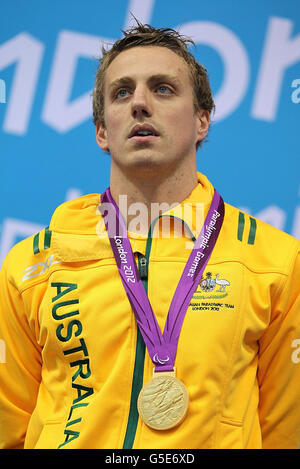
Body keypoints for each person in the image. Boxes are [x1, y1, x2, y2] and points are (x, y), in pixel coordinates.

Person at [0, 20, 299, 450]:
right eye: (122, 92)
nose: (140, 103)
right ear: (102, 131)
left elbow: (287, 433)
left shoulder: (275, 260)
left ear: (202, 121)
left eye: (162, 88)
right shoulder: (31, 263)